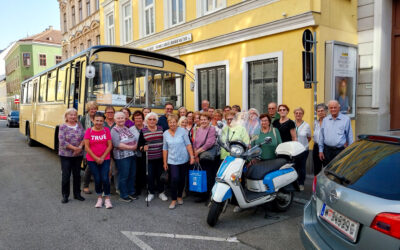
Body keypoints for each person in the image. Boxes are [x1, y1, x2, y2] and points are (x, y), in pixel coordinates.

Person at [162, 114, 195, 209]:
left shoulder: (183, 131)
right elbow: (165, 148)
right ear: (168, 123)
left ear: (177, 123)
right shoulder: (165, 133)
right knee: (174, 179)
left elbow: (188, 144)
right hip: (172, 160)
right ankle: (173, 199)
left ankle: (180, 196)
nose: (172, 124)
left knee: (181, 179)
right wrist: (164, 162)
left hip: (183, 159)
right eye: (170, 122)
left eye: (174, 122)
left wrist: (192, 156)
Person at [84, 112, 113, 209]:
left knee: (105, 178)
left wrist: (102, 157)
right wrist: (96, 158)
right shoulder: (89, 131)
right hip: (92, 160)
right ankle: (100, 198)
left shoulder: (106, 131)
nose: (99, 123)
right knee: (97, 179)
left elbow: (110, 146)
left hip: (105, 158)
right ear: (93, 120)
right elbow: (87, 147)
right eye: (97, 120)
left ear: (104, 121)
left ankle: (107, 199)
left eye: (101, 121)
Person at [138, 112, 168, 202]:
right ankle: (151, 193)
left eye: (154, 119)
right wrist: (143, 147)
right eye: (150, 119)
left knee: (160, 176)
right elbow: (139, 145)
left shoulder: (161, 129)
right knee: (150, 176)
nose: (152, 121)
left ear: (156, 121)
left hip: (160, 158)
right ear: (147, 121)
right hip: (149, 159)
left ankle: (161, 192)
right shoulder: (143, 131)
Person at [58, 108, 85, 203]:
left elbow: (84, 137)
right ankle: (65, 195)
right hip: (66, 155)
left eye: (74, 115)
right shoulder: (62, 127)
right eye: (70, 115)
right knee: (66, 175)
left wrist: (80, 147)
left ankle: (77, 194)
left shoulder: (80, 125)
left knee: (77, 175)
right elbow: (62, 142)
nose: (73, 116)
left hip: (78, 155)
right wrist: (75, 149)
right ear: (66, 116)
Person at [111, 112, 138, 202]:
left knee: (132, 174)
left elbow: (133, 139)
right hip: (122, 157)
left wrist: (135, 146)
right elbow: (117, 144)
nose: (120, 119)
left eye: (122, 118)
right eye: (118, 118)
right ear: (115, 120)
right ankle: (123, 194)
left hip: (131, 155)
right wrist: (131, 147)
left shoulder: (126, 128)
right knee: (124, 175)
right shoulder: (114, 130)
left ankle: (130, 191)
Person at [319, 100, 354, 166]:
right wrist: (320, 150)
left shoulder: (346, 119)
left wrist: (350, 151)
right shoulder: (325, 120)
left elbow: (349, 136)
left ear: (339, 108)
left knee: (338, 171)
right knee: (326, 170)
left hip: (340, 151)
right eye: (331, 108)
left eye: (335, 107)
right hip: (327, 151)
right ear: (329, 109)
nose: (333, 109)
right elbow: (321, 136)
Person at [193, 113, 216, 202]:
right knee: (201, 175)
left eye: (205, 119)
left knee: (208, 176)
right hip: (199, 155)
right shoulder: (198, 129)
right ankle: (201, 194)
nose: (203, 121)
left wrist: (197, 152)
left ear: (209, 120)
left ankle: (208, 196)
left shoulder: (211, 129)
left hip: (207, 156)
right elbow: (195, 142)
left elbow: (210, 143)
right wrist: (196, 154)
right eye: (201, 119)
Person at [80, 101, 98, 195]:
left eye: (95, 108)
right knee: (89, 166)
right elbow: (82, 132)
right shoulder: (84, 119)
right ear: (88, 109)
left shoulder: (99, 117)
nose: (93, 110)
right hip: (88, 145)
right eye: (91, 109)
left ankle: (98, 185)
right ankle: (85, 186)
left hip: (99, 145)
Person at [293, 107, 311, 191]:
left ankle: (301, 183)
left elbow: (309, 137)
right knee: (294, 167)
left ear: (303, 114)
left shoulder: (306, 125)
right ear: (294, 114)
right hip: (293, 150)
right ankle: (294, 182)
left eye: (300, 113)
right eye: (296, 113)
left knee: (302, 168)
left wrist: (302, 143)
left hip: (303, 150)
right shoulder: (291, 124)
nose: (298, 114)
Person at [131, 110, 146, 196]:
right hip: (135, 154)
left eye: (140, 118)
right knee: (136, 172)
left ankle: (144, 186)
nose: (138, 120)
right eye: (136, 118)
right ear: (133, 120)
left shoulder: (147, 127)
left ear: (143, 119)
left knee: (144, 171)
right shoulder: (130, 130)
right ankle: (137, 189)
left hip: (146, 154)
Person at [313, 103, 328, 175]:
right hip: (316, 146)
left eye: (322, 110)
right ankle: (316, 184)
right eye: (318, 111)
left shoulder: (329, 122)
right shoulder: (315, 122)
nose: (320, 112)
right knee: (316, 167)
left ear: (326, 111)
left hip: (326, 147)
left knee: (326, 167)